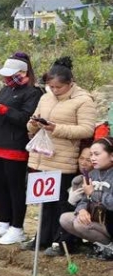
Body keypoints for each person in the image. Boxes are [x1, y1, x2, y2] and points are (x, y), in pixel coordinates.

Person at [25, 57, 97, 253]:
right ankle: (42, 238)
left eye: (58, 87)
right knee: (45, 203)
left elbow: (86, 130)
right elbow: (32, 122)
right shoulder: (45, 97)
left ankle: (63, 242)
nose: (55, 91)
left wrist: (56, 128)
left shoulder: (83, 101)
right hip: (42, 156)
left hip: (64, 158)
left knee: (62, 203)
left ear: (70, 83)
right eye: (51, 86)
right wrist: (33, 123)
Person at [0, 57, 44, 245]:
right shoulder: (6, 89)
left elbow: (25, 118)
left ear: (22, 74)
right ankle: (3, 222)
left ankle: (17, 227)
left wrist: (3, 109)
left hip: (15, 146)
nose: (6, 79)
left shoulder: (33, 92)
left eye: (10, 75)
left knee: (15, 188)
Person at [59, 137, 113, 259]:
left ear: (111, 156)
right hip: (100, 220)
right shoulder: (92, 174)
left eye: (97, 154)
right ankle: (106, 246)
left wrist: (93, 193)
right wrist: (81, 210)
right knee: (66, 218)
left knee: (79, 224)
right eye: (91, 155)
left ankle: (110, 249)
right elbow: (84, 199)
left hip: (110, 222)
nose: (92, 158)